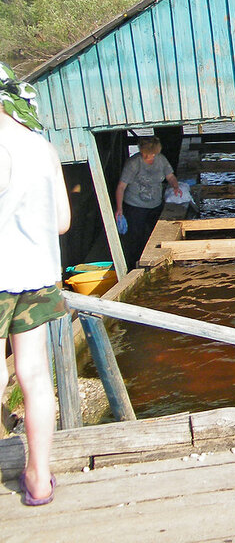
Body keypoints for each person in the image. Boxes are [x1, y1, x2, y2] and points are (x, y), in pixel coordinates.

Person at [0, 61, 71, 506]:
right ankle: (39, 479)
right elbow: (62, 222)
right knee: (35, 376)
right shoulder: (40, 146)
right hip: (37, 276)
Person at [115, 136, 182, 269]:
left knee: (156, 235)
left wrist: (175, 186)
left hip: (155, 204)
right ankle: (135, 265)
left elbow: (170, 176)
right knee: (136, 238)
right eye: (146, 154)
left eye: (152, 154)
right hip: (135, 206)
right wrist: (119, 208)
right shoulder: (133, 163)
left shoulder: (161, 159)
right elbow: (121, 187)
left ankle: (157, 263)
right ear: (141, 151)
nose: (149, 157)